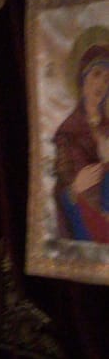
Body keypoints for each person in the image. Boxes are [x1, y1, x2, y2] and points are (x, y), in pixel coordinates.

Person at [52, 38, 109, 242]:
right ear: (83, 78)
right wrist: (75, 188)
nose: (101, 84)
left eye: (107, 79)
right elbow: (58, 190)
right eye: (96, 74)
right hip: (85, 222)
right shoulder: (67, 132)